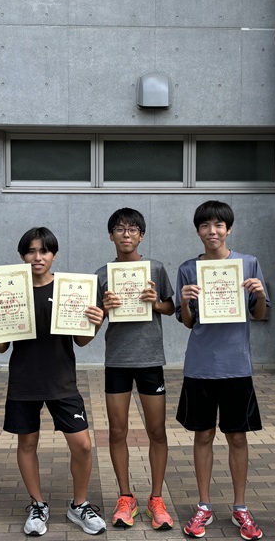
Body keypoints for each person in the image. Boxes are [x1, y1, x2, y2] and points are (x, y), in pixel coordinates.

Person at [0, 227, 107, 537]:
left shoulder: (69, 289)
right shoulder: (10, 291)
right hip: (24, 380)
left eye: (44, 251)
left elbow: (81, 340)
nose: (37, 257)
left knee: (83, 445)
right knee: (27, 443)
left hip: (62, 380)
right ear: (22, 256)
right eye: (31, 251)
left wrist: (96, 323)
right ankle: (37, 505)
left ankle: (79, 505)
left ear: (53, 255)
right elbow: (2, 347)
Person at [174, 200, 269, 540]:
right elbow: (187, 322)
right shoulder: (188, 269)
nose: (212, 231)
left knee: (237, 437)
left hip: (236, 365)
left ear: (229, 229)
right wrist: (184, 301)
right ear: (198, 231)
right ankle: (204, 505)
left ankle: (240, 506)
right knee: (203, 435)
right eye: (205, 225)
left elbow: (259, 315)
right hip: (200, 365)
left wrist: (259, 294)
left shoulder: (248, 264)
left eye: (218, 225)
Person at [95, 208, 176, 530]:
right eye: (120, 229)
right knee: (117, 431)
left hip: (150, 359)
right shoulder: (102, 274)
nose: (126, 234)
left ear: (141, 235)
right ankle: (125, 497)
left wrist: (156, 302)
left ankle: (156, 498)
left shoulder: (155, 268)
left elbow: (171, 308)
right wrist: (104, 308)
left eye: (132, 230)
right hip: (117, 359)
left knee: (157, 431)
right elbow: (93, 320)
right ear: (111, 235)